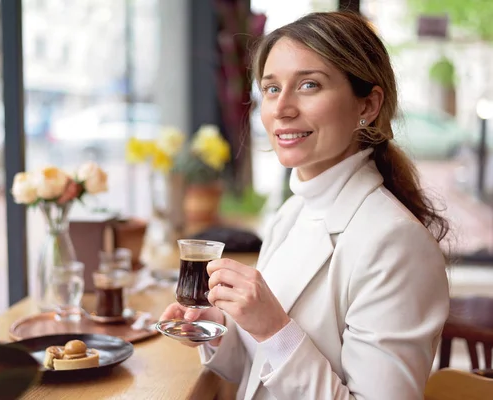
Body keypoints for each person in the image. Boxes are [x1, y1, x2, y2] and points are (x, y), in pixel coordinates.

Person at [160, 11, 450, 400]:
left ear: (368, 106)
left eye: (309, 85)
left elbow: (280, 342)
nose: (281, 108)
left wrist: (273, 328)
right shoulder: (293, 212)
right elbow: (262, 375)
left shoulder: (396, 244)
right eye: (272, 88)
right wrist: (218, 329)